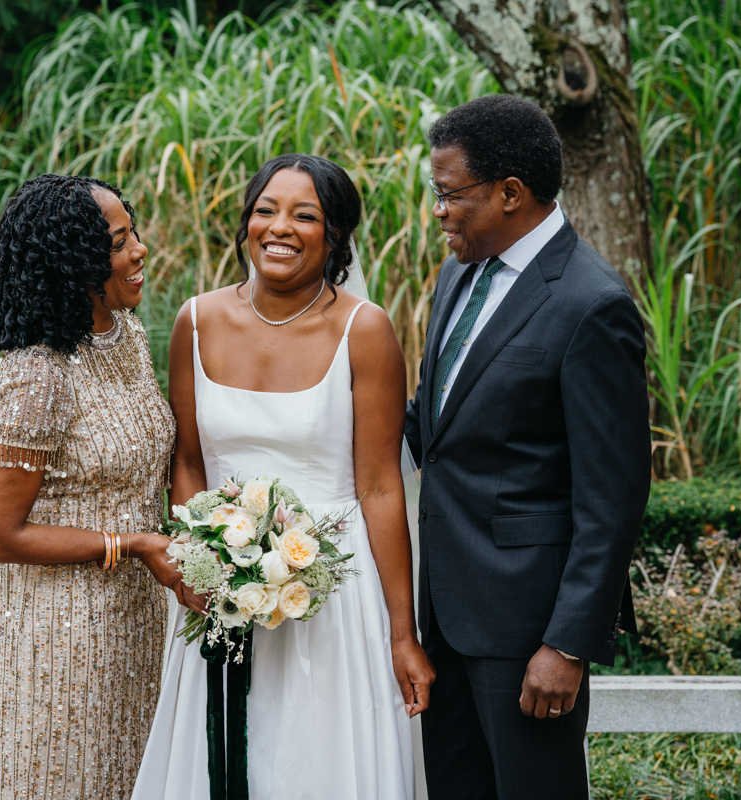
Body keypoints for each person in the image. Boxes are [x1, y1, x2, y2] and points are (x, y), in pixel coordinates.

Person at [132, 154, 434, 799]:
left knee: (318, 762)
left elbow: (381, 487)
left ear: (335, 234)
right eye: (265, 210)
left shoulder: (365, 330)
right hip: (219, 592)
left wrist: (402, 633)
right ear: (246, 222)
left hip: (334, 596)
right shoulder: (196, 320)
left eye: (305, 216)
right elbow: (188, 463)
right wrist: (199, 565)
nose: (279, 228)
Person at [405, 95, 652, 799]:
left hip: (528, 634)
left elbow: (613, 497)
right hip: (444, 619)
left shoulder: (591, 304)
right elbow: (432, 428)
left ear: (510, 193)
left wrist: (567, 643)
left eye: (450, 194)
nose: (438, 212)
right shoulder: (459, 275)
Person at [0, 174, 193, 800]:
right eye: (119, 243)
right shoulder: (37, 373)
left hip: (136, 616)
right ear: (73, 262)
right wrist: (135, 545)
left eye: (133, 233)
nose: (140, 250)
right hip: (63, 633)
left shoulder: (126, 336)